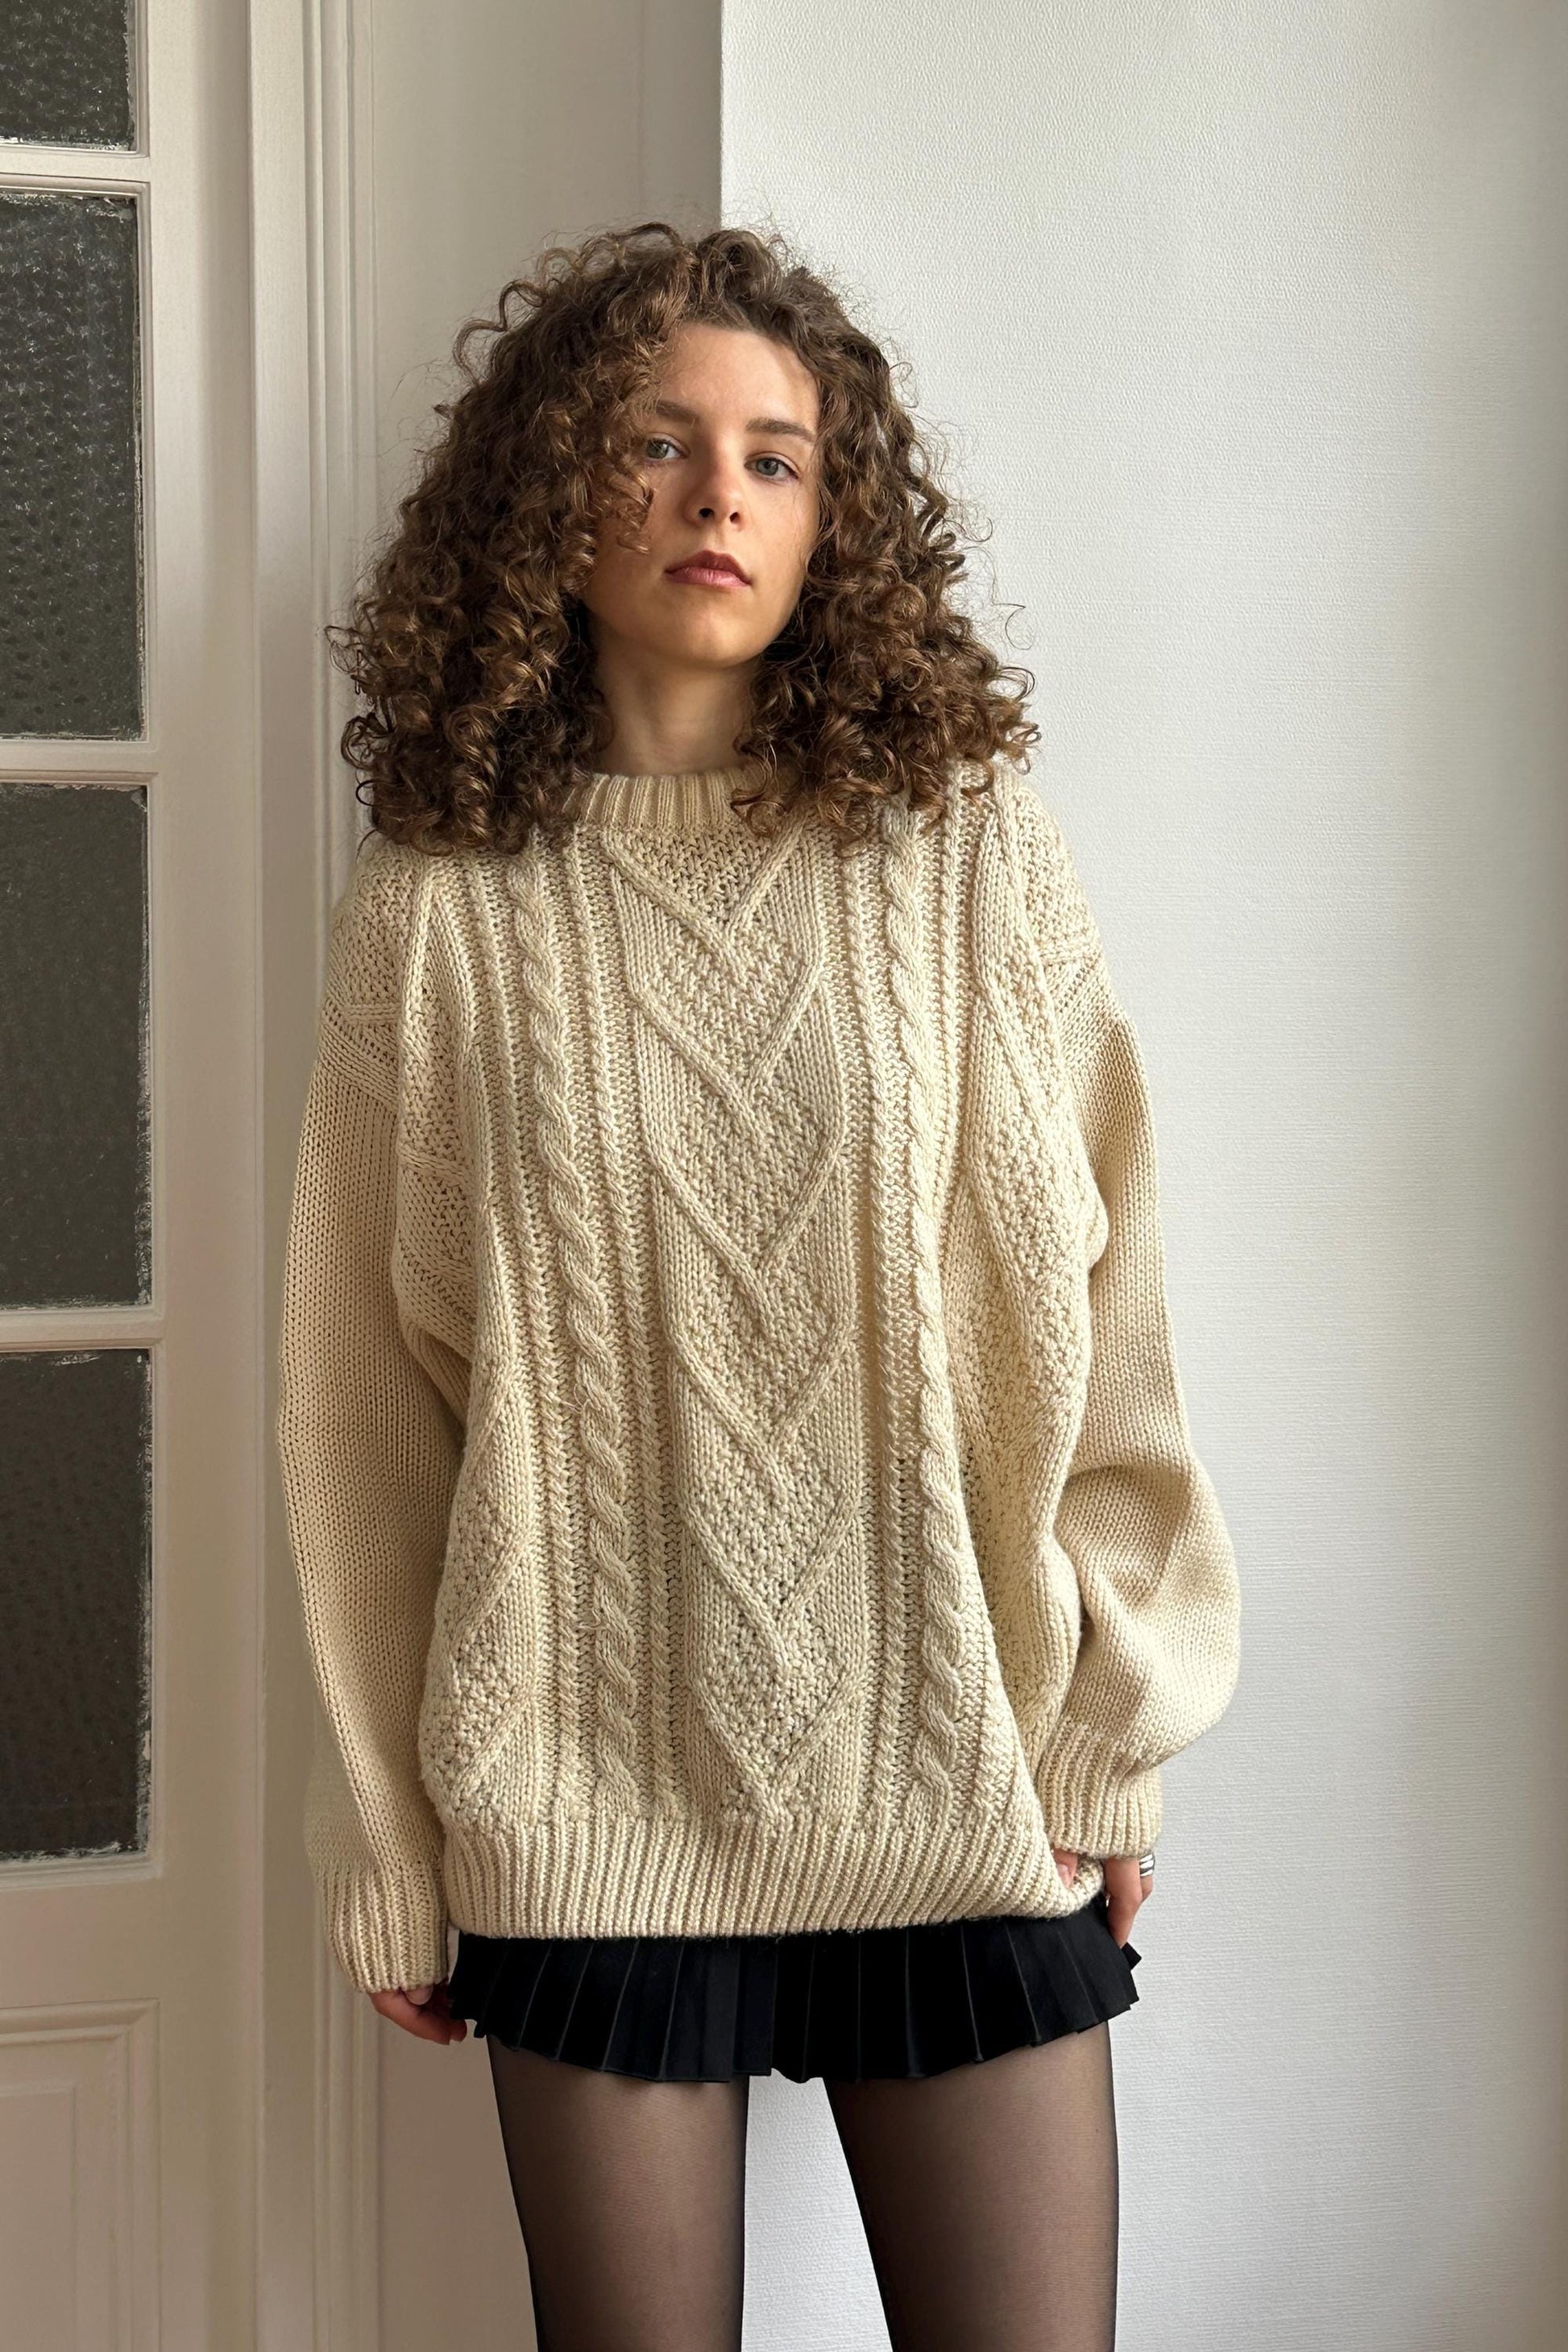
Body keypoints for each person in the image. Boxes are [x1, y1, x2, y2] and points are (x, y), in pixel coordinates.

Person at [276, 220, 1241, 2351]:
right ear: (555, 486)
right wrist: (386, 1840)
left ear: (836, 517)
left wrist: (1109, 1733)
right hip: (586, 1809)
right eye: (660, 437)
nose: (722, 495)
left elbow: (1108, 1299)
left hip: (952, 1786)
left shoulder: (966, 841)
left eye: (779, 456)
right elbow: (361, 1415)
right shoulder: (435, 910)